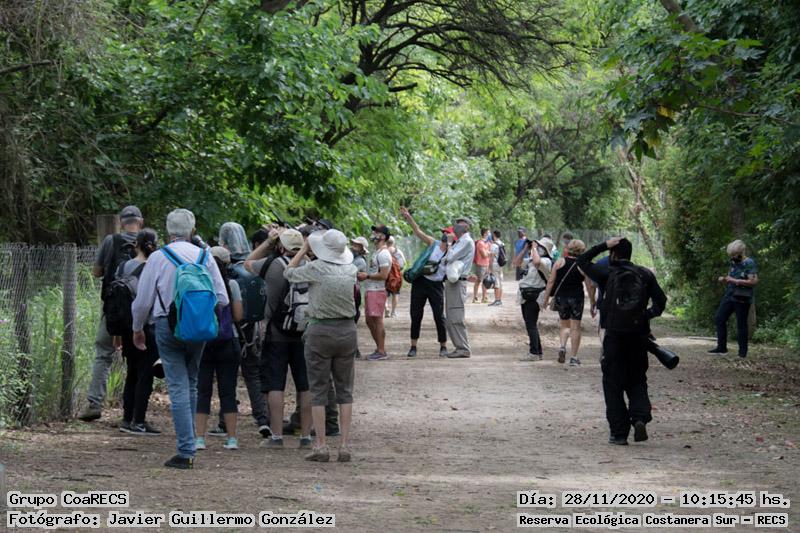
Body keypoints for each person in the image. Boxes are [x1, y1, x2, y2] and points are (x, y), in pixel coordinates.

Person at [131, 208, 229, 469]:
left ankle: (186, 450)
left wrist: (137, 328)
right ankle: (191, 443)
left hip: (167, 325)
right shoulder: (205, 256)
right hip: (199, 329)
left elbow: (142, 302)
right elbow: (222, 298)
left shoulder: (158, 257)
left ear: (167, 231)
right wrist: (198, 312)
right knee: (192, 383)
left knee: (177, 386)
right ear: (192, 231)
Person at [576, 238, 667, 445]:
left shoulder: (607, 273)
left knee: (612, 383)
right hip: (639, 337)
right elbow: (661, 302)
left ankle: (618, 433)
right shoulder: (645, 274)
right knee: (637, 379)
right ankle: (639, 417)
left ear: (613, 254)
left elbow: (581, 261)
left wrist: (603, 245)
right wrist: (645, 316)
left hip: (614, 336)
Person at [284, 229, 358, 462]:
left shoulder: (315, 269)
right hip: (347, 331)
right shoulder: (351, 269)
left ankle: (321, 445)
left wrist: (304, 249)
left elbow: (289, 272)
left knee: (318, 389)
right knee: (345, 390)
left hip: (320, 331)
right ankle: (344, 445)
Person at [79, 205, 144, 422]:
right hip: (140, 309)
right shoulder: (147, 242)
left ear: (121, 223)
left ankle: (94, 403)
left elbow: (97, 272)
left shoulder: (110, 241)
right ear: (140, 222)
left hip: (114, 309)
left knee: (103, 353)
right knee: (138, 360)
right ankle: (134, 412)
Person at [253, 229, 313, 449]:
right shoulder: (311, 266)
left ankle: (276, 437)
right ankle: (306, 436)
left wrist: (268, 241)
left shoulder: (271, 265)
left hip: (276, 333)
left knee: (275, 385)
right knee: (305, 385)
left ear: (281, 246)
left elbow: (246, 263)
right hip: (304, 333)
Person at [217, 222, 270, 439]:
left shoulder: (224, 267)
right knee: (253, 374)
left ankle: (224, 421)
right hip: (253, 328)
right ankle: (263, 418)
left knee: (227, 375)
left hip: (230, 329)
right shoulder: (252, 265)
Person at [195, 247, 243, 451]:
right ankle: (232, 438)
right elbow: (238, 315)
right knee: (228, 391)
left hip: (203, 341)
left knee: (202, 391)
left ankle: (199, 438)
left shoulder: (199, 282)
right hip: (228, 340)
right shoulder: (232, 284)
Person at [115, 228, 161, 435]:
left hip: (126, 326)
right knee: (145, 374)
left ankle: (127, 418)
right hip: (147, 326)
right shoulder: (155, 267)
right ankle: (139, 421)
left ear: (136, 245)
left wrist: (117, 333)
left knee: (132, 373)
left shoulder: (122, 267)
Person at [399, 207, 449, 358]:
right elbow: (418, 231)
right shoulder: (433, 243)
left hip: (436, 285)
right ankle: (413, 346)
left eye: (448, 233)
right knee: (416, 315)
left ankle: (443, 346)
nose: (445, 235)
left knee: (439, 316)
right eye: (445, 233)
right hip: (421, 282)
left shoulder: (453, 252)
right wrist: (408, 217)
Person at [543, 239, 596, 366]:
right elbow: (589, 285)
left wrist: (546, 298)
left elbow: (551, 281)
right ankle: (573, 357)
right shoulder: (582, 265)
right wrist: (593, 301)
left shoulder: (560, 262)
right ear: (582, 250)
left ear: (568, 249)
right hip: (576, 298)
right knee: (575, 327)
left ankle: (562, 347)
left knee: (564, 325)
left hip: (561, 298)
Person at [709, 240, 758, 358]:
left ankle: (742, 353)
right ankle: (721, 347)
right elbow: (731, 277)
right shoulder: (734, 262)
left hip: (742, 297)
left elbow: (753, 281)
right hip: (729, 295)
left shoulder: (749, 263)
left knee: (741, 324)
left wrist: (735, 280)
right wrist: (725, 279)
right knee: (719, 318)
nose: (732, 257)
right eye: (731, 255)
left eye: (734, 255)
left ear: (741, 252)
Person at [442, 216, 476, 358]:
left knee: (456, 316)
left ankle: (463, 348)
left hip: (458, 282)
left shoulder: (466, 241)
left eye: (459, 224)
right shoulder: (461, 241)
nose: (456, 226)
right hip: (453, 281)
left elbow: (449, 257)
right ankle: (459, 347)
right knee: (450, 316)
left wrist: (450, 243)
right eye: (456, 223)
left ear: (466, 227)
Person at [517, 237, 554, 361]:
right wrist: (525, 249)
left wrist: (533, 248)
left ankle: (534, 353)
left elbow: (537, 263)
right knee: (530, 324)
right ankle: (538, 352)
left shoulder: (546, 261)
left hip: (536, 296)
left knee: (531, 325)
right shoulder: (530, 260)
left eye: (540, 246)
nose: (537, 247)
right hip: (525, 295)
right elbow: (516, 262)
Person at [360, 224, 392, 360]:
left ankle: (381, 350)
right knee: (369, 320)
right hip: (371, 289)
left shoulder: (383, 254)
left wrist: (366, 276)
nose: (374, 234)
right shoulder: (377, 252)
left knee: (377, 320)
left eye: (377, 232)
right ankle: (379, 347)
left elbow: (384, 275)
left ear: (383, 236)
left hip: (377, 290)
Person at [350, 237, 369, 331]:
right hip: (350, 288)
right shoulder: (353, 258)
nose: (353, 247)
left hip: (354, 289)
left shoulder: (360, 261)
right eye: (353, 245)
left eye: (356, 246)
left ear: (362, 250)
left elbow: (350, 272)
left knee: (354, 309)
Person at [385, 236, 406, 318]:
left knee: (384, 293)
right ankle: (393, 312)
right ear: (393, 243)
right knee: (395, 293)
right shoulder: (398, 251)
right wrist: (398, 270)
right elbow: (403, 263)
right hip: (395, 276)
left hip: (385, 274)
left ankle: (386, 308)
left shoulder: (383, 251)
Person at [472, 228, 491, 303]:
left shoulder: (488, 243)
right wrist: (489, 252)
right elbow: (484, 255)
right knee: (478, 280)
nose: (490, 234)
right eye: (488, 233)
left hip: (487, 264)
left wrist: (488, 252)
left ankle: (484, 298)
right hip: (480, 264)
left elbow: (490, 253)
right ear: (485, 233)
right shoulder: (480, 243)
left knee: (486, 281)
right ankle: (475, 298)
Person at [488, 230, 505, 307]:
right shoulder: (502, 243)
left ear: (494, 235)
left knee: (496, 282)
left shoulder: (493, 245)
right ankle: (499, 299)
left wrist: (490, 267)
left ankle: (497, 300)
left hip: (495, 264)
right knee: (500, 282)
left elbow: (491, 257)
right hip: (500, 264)